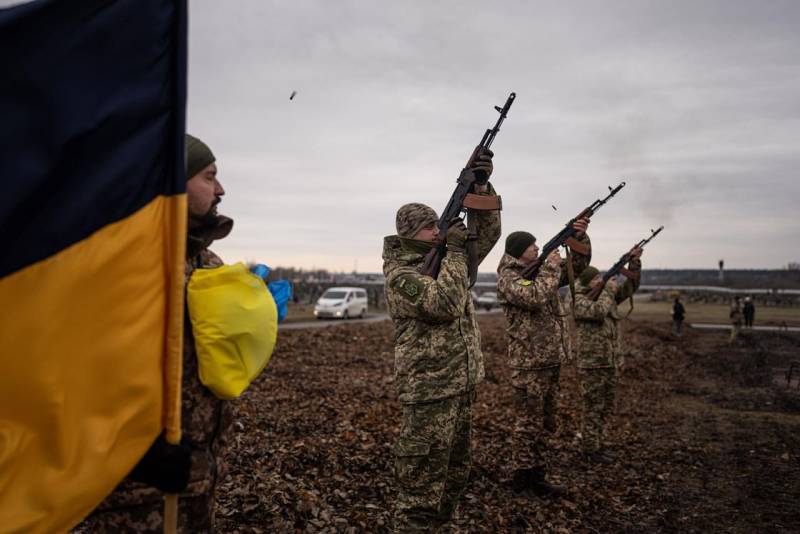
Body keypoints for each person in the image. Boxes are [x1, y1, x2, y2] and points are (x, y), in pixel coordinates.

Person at [76, 134, 235, 533]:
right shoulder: (121, 260)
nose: (220, 190)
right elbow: (66, 369)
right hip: (130, 497)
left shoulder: (208, 261)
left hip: (197, 486)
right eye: (209, 176)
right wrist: (136, 452)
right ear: (172, 182)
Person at [382, 151, 501, 532]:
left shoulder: (445, 258)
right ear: (409, 235)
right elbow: (444, 303)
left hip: (460, 384)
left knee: (454, 477)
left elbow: (489, 235)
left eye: (438, 224)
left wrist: (480, 186)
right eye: (428, 228)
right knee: (420, 491)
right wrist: (451, 249)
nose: (437, 231)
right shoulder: (400, 275)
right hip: (429, 392)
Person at [495, 222, 591, 496]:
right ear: (518, 251)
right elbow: (534, 296)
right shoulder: (509, 277)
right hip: (529, 364)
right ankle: (522, 478)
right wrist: (550, 266)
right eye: (532, 245)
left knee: (546, 422)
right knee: (527, 425)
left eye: (538, 244)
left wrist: (578, 237)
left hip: (548, 360)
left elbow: (579, 268)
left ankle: (537, 475)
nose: (537, 247)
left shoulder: (538, 272)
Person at [573, 247, 642, 463]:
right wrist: (607, 291)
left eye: (600, 278)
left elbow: (630, 288)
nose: (600, 281)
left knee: (607, 405)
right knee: (592, 406)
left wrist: (633, 265)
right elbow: (598, 312)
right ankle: (589, 449)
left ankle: (598, 443)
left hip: (609, 360)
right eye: (596, 279)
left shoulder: (603, 294)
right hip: (592, 362)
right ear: (588, 282)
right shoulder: (579, 298)